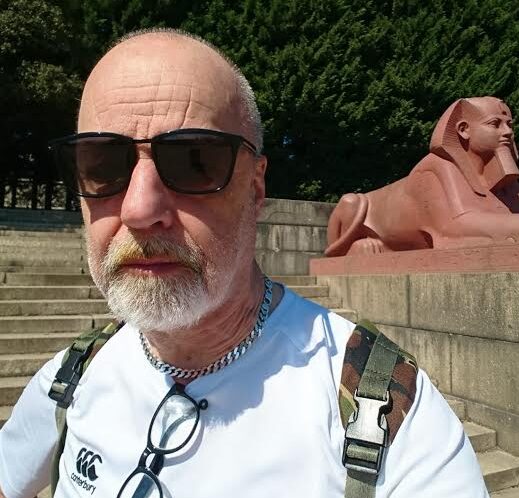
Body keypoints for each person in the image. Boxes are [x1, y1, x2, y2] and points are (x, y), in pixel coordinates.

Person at [0, 30, 489, 498]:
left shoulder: (387, 406)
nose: (139, 209)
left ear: (255, 188)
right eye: (102, 165)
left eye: (194, 160)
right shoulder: (72, 375)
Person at [326, 96, 519, 257]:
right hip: (366, 219)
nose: (508, 132)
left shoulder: (508, 184)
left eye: (509, 124)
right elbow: (453, 229)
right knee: (351, 202)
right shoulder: (438, 167)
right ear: (463, 130)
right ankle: (348, 247)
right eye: (495, 124)